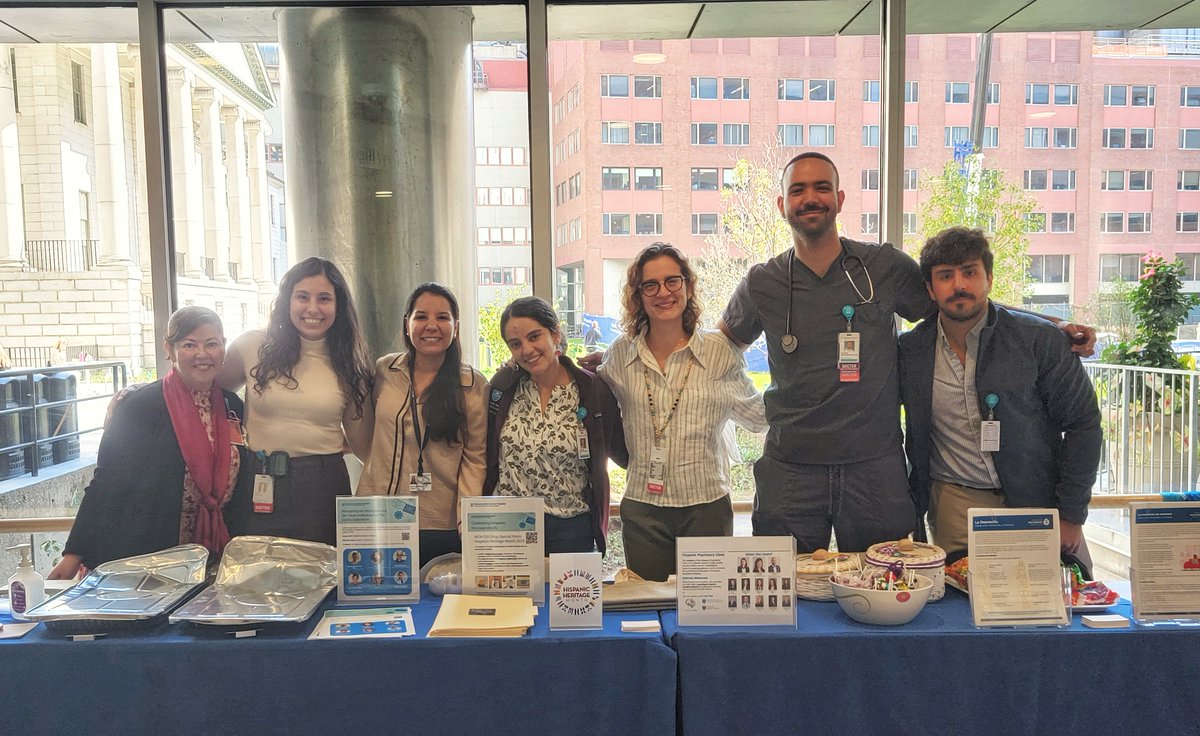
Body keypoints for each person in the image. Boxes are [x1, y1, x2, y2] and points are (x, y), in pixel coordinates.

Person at [717, 151, 1096, 553]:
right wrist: (748, 409)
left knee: (890, 584)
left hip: (874, 469)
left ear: (840, 199)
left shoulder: (882, 265)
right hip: (791, 468)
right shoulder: (763, 283)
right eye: (798, 190)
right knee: (784, 589)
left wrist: (1050, 325)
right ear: (782, 205)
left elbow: (960, 299)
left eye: (822, 187)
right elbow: (720, 348)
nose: (811, 198)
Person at [898, 227, 1102, 564]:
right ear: (930, 290)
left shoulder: (1039, 342)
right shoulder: (911, 351)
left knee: (1048, 606)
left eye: (970, 272)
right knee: (960, 609)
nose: (959, 285)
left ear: (989, 279)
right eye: (945, 276)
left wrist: (1071, 514)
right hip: (955, 506)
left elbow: (1084, 426)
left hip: (1037, 500)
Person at [597, 243, 767, 581]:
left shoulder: (719, 353)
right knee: (651, 610)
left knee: (705, 615)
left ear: (688, 287)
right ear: (639, 295)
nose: (663, 293)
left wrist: (805, 382)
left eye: (672, 281)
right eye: (651, 285)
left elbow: (758, 416)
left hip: (706, 507)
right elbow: (593, 393)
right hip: (643, 509)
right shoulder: (619, 355)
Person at [49, 307, 244, 579]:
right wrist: (73, 555)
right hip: (148, 559)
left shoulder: (232, 407)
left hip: (214, 559)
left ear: (223, 348)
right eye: (190, 345)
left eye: (212, 344)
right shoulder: (140, 406)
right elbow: (107, 482)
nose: (202, 354)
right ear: (169, 349)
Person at [218, 257, 373, 546]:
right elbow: (205, 391)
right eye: (302, 296)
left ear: (338, 307)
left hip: (322, 488)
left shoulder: (351, 365)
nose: (312, 308)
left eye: (324, 298)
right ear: (287, 300)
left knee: (322, 581)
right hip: (258, 480)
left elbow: (366, 447)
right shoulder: (252, 346)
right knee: (255, 577)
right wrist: (142, 393)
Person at [358, 283, 488, 566]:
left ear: (456, 327)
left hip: (439, 524)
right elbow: (366, 432)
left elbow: (475, 460)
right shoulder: (384, 371)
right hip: (379, 517)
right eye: (421, 317)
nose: (432, 325)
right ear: (407, 325)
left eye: (442, 318)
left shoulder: (472, 385)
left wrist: (468, 523)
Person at [485, 296, 627, 555]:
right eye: (516, 344)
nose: (526, 350)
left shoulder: (592, 390)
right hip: (509, 527)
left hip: (570, 527)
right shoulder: (503, 388)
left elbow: (623, 451)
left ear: (555, 334)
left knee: (567, 596)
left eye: (534, 336)